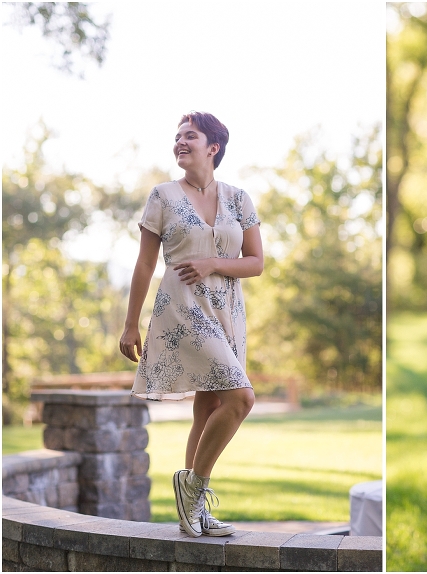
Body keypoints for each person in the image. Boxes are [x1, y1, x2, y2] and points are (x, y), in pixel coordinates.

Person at [119, 111, 263, 538]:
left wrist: (213, 263)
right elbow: (145, 263)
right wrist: (131, 324)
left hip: (228, 312)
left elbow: (256, 263)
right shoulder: (162, 196)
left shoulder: (238, 199)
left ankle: (192, 513)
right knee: (242, 398)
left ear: (212, 147)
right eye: (177, 136)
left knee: (210, 406)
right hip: (182, 308)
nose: (180, 142)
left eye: (190, 136)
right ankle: (193, 485)